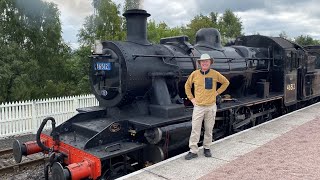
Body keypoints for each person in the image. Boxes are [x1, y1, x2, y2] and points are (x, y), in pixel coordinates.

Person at [184, 53, 229, 160]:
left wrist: (217, 92)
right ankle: (193, 150)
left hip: (211, 107)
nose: (204, 63)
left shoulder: (215, 74)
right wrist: (191, 98)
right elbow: (187, 86)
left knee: (209, 129)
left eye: (206, 62)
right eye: (202, 62)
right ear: (200, 63)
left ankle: (207, 147)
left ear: (210, 63)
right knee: (195, 129)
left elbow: (226, 82)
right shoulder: (194, 74)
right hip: (198, 107)